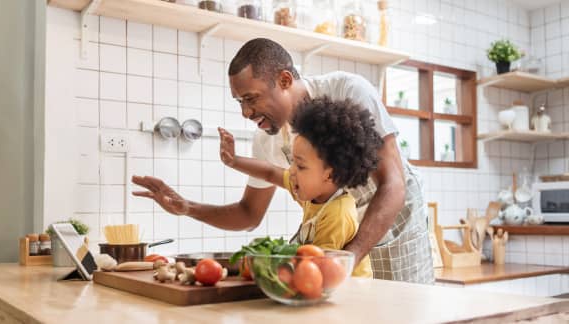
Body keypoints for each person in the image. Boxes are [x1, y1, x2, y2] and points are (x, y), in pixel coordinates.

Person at [132, 38, 434, 284]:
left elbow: (392, 183)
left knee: (402, 312)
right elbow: (249, 214)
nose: (246, 113)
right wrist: (186, 208)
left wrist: (351, 256)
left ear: (285, 79)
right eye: (240, 102)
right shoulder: (267, 138)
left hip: (394, 223)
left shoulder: (348, 91)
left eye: (251, 98)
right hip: (339, 238)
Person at [219, 97, 379, 277]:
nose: (292, 171)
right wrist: (234, 161)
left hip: (352, 295)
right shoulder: (314, 194)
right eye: (293, 162)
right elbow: (270, 173)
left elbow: (317, 270)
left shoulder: (338, 214)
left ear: (330, 174)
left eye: (301, 166)